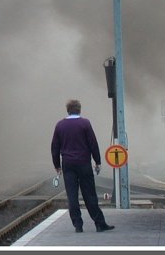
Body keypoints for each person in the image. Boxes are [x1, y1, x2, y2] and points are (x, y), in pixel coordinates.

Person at [51, 99, 115, 233]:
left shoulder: (60, 125)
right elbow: (93, 143)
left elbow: (55, 148)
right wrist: (97, 162)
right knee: (89, 194)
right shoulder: (85, 124)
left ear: (68, 110)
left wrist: (57, 165)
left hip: (68, 164)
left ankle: (78, 225)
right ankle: (99, 223)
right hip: (84, 163)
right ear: (79, 109)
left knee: (72, 196)